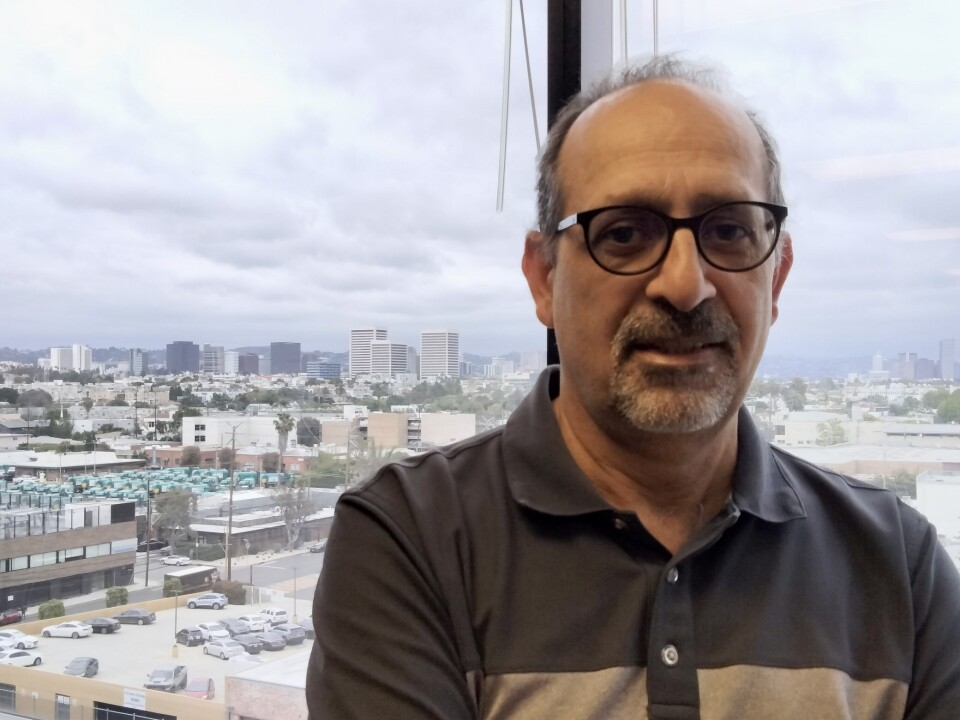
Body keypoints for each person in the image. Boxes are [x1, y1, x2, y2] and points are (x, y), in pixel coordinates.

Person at [306, 56, 960, 719]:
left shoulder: (897, 562)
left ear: (778, 276)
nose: (685, 284)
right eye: (623, 233)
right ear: (543, 278)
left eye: (729, 230)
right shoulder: (411, 539)